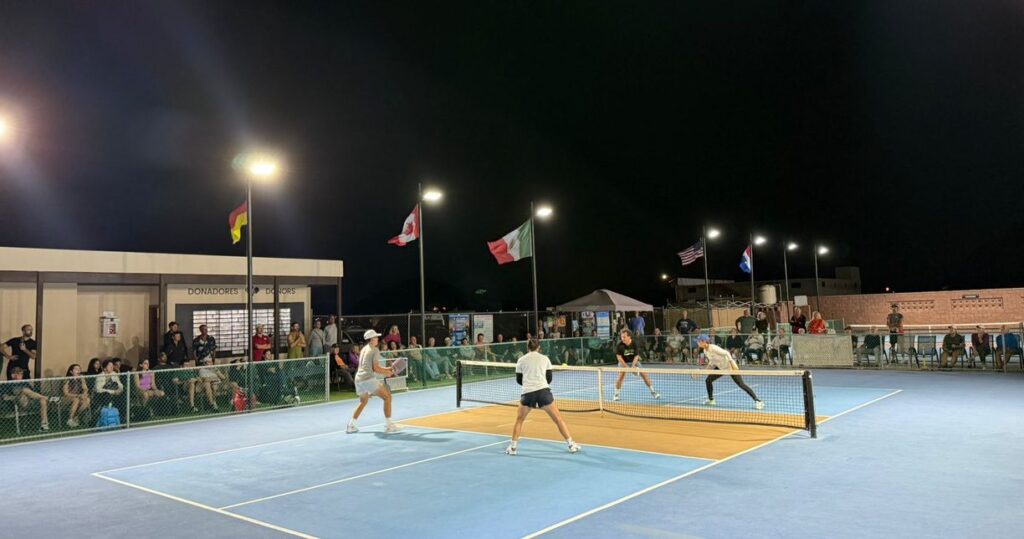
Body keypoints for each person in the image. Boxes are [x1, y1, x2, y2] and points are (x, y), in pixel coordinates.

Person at [504, 338, 581, 456]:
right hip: (543, 393)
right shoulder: (545, 359)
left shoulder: (521, 360)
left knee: (519, 420)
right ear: (539, 347)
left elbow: (519, 380)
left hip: (527, 394)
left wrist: (529, 386)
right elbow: (549, 378)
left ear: (527, 347)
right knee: (558, 420)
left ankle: (513, 448)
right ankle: (571, 445)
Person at [347, 330, 402, 434]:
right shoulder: (375, 350)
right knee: (387, 397)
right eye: (376, 337)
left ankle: (351, 425)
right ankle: (389, 426)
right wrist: (387, 373)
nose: (378, 339)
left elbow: (372, 366)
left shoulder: (364, 349)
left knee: (363, 402)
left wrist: (387, 369)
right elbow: (375, 368)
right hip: (368, 379)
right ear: (371, 340)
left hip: (358, 379)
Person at [695, 334, 763, 409]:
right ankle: (711, 400)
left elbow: (726, 353)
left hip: (730, 366)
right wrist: (703, 371)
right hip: (721, 368)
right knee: (708, 380)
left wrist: (732, 364)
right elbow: (712, 363)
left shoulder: (713, 348)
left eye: (699, 341)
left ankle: (758, 401)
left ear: (704, 341)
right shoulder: (705, 351)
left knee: (741, 384)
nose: (697, 343)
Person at [612, 329, 660, 401]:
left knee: (644, 375)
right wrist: (627, 367)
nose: (622, 338)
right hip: (623, 362)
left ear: (629, 337)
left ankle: (653, 392)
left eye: (624, 337)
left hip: (634, 361)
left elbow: (636, 356)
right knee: (620, 377)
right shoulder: (619, 344)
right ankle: (616, 395)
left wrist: (633, 366)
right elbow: (619, 357)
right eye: (621, 337)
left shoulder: (634, 343)